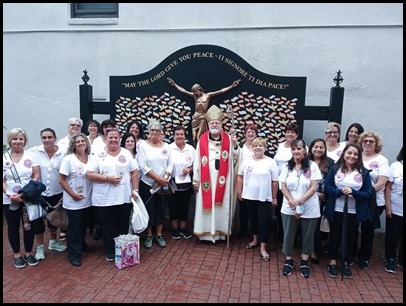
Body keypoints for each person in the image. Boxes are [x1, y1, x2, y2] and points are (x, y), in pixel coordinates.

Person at [87, 128, 139, 262]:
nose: (114, 140)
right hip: (105, 199)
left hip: (124, 197)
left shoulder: (126, 153)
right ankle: (110, 251)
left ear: (120, 138)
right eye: (111, 137)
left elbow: (134, 172)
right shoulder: (99, 154)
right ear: (106, 138)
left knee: (122, 226)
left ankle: (122, 250)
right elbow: (90, 174)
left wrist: (135, 190)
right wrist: (107, 178)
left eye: (116, 137)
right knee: (108, 226)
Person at [324, 143, 373, 279]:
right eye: (349, 153)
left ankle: (346, 261)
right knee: (335, 235)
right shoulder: (335, 169)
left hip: (353, 211)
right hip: (336, 209)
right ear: (344, 154)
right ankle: (333, 261)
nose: (352, 156)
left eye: (355, 154)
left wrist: (354, 193)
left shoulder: (364, 172)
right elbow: (327, 187)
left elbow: (368, 193)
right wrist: (339, 192)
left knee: (350, 237)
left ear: (359, 156)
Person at [192, 105, 240, 243]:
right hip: (206, 181)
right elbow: (196, 161)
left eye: (217, 123)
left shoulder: (229, 139)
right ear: (208, 124)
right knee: (206, 206)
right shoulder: (202, 140)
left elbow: (235, 158)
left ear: (221, 124)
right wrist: (196, 180)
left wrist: (235, 144)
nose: (214, 125)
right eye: (212, 123)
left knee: (221, 206)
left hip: (224, 181)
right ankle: (205, 234)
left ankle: (220, 233)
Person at [279, 139, 321, 278]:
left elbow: (314, 187)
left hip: (309, 207)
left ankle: (304, 261)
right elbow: (283, 186)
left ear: (305, 150)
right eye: (294, 149)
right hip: (289, 206)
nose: (296, 151)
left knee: (308, 235)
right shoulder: (287, 166)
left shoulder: (312, 166)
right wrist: (292, 201)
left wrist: (300, 202)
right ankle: (289, 260)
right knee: (288, 234)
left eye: (299, 148)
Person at [236, 137, 279, 262]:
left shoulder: (271, 162)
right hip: (249, 196)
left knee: (263, 221)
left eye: (261, 145)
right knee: (253, 219)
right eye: (255, 146)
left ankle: (263, 247)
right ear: (252, 148)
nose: (258, 148)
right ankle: (255, 239)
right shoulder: (246, 161)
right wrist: (240, 191)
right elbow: (240, 176)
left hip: (264, 197)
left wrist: (274, 197)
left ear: (265, 148)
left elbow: (275, 181)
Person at [28, 128, 67, 261]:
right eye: (44, 137)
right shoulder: (36, 152)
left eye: (49, 137)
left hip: (57, 192)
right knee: (39, 222)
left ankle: (53, 242)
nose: (47, 140)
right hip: (40, 193)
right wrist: (30, 190)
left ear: (55, 138)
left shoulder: (62, 153)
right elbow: (36, 174)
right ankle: (39, 247)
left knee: (53, 219)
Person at [3, 128, 40, 268]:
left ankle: (29, 253)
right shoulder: (4, 157)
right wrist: (10, 195)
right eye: (15, 139)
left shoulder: (31, 155)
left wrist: (25, 194)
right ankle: (17, 254)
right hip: (9, 199)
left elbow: (35, 175)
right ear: (10, 140)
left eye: (21, 139)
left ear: (25, 141)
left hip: (27, 198)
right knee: (13, 227)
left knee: (29, 226)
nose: (18, 141)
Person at [167, 77, 241, 145]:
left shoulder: (208, 96)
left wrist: (232, 86)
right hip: (195, 117)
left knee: (199, 136)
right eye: (194, 92)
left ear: (199, 89)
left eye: (196, 91)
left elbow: (220, 91)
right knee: (193, 137)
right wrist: (175, 85)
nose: (195, 93)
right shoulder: (195, 97)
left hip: (203, 117)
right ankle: (196, 149)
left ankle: (200, 150)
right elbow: (183, 91)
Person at [353, 131, 389, 270]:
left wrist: (364, 193)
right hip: (355, 199)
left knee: (368, 230)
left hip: (373, 201)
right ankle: (350, 253)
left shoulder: (382, 160)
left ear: (376, 144)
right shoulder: (356, 156)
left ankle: (364, 257)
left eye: (371, 141)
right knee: (353, 228)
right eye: (365, 141)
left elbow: (381, 183)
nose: (367, 143)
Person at [59, 133, 94, 267]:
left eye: (82, 141)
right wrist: (72, 194)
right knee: (74, 228)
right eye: (77, 141)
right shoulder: (69, 159)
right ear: (73, 145)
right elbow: (61, 180)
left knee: (84, 225)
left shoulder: (92, 158)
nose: (80, 143)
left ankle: (83, 245)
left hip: (88, 200)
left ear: (86, 143)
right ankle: (74, 254)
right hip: (73, 201)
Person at [137, 120, 174, 248]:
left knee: (161, 209)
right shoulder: (142, 146)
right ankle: (148, 235)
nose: (154, 133)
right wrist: (158, 178)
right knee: (149, 209)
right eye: (152, 130)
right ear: (149, 131)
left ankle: (158, 234)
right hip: (147, 184)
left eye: (157, 130)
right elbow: (143, 166)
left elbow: (170, 164)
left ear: (161, 132)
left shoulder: (166, 146)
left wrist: (165, 178)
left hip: (162, 185)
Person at [308, 138, 334, 264]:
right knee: (306, 226)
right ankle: (306, 249)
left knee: (316, 226)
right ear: (311, 148)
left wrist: (325, 194)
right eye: (315, 147)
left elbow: (332, 182)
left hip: (321, 200)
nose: (318, 149)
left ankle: (314, 251)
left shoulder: (330, 163)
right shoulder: (305, 162)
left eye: (321, 147)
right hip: (306, 198)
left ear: (324, 149)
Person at [273, 122, 301, 242]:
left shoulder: (301, 147)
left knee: (293, 211)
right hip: (279, 185)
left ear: (297, 135)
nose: (289, 134)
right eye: (288, 132)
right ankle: (281, 236)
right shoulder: (280, 146)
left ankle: (292, 238)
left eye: (292, 132)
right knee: (280, 210)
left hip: (293, 186)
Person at [168, 126, 196, 240]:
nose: (179, 136)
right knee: (173, 205)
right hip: (173, 182)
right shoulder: (169, 148)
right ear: (174, 136)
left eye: (181, 134)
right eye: (177, 134)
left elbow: (197, 163)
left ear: (185, 136)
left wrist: (189, 169)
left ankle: (183, 228)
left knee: (184, 205)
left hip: (186, 182)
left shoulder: (191, 149)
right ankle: (174, 229)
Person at [237, 123, 259, 238]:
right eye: (248, 132)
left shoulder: (259, 146)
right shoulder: (240, 147)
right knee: (243, 207)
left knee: (254, 208)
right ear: (245, 135)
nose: (250, 134)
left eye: (253, 132)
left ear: (256, 135)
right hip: (243, 181)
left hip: (256, 182)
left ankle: (254, 230)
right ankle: (243, 229)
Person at [384, 147, 403, 273]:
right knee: (392, 236)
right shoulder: (396, 166)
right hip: (396, 208)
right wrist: (388, 206)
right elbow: (388, 187)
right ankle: (390, 259)